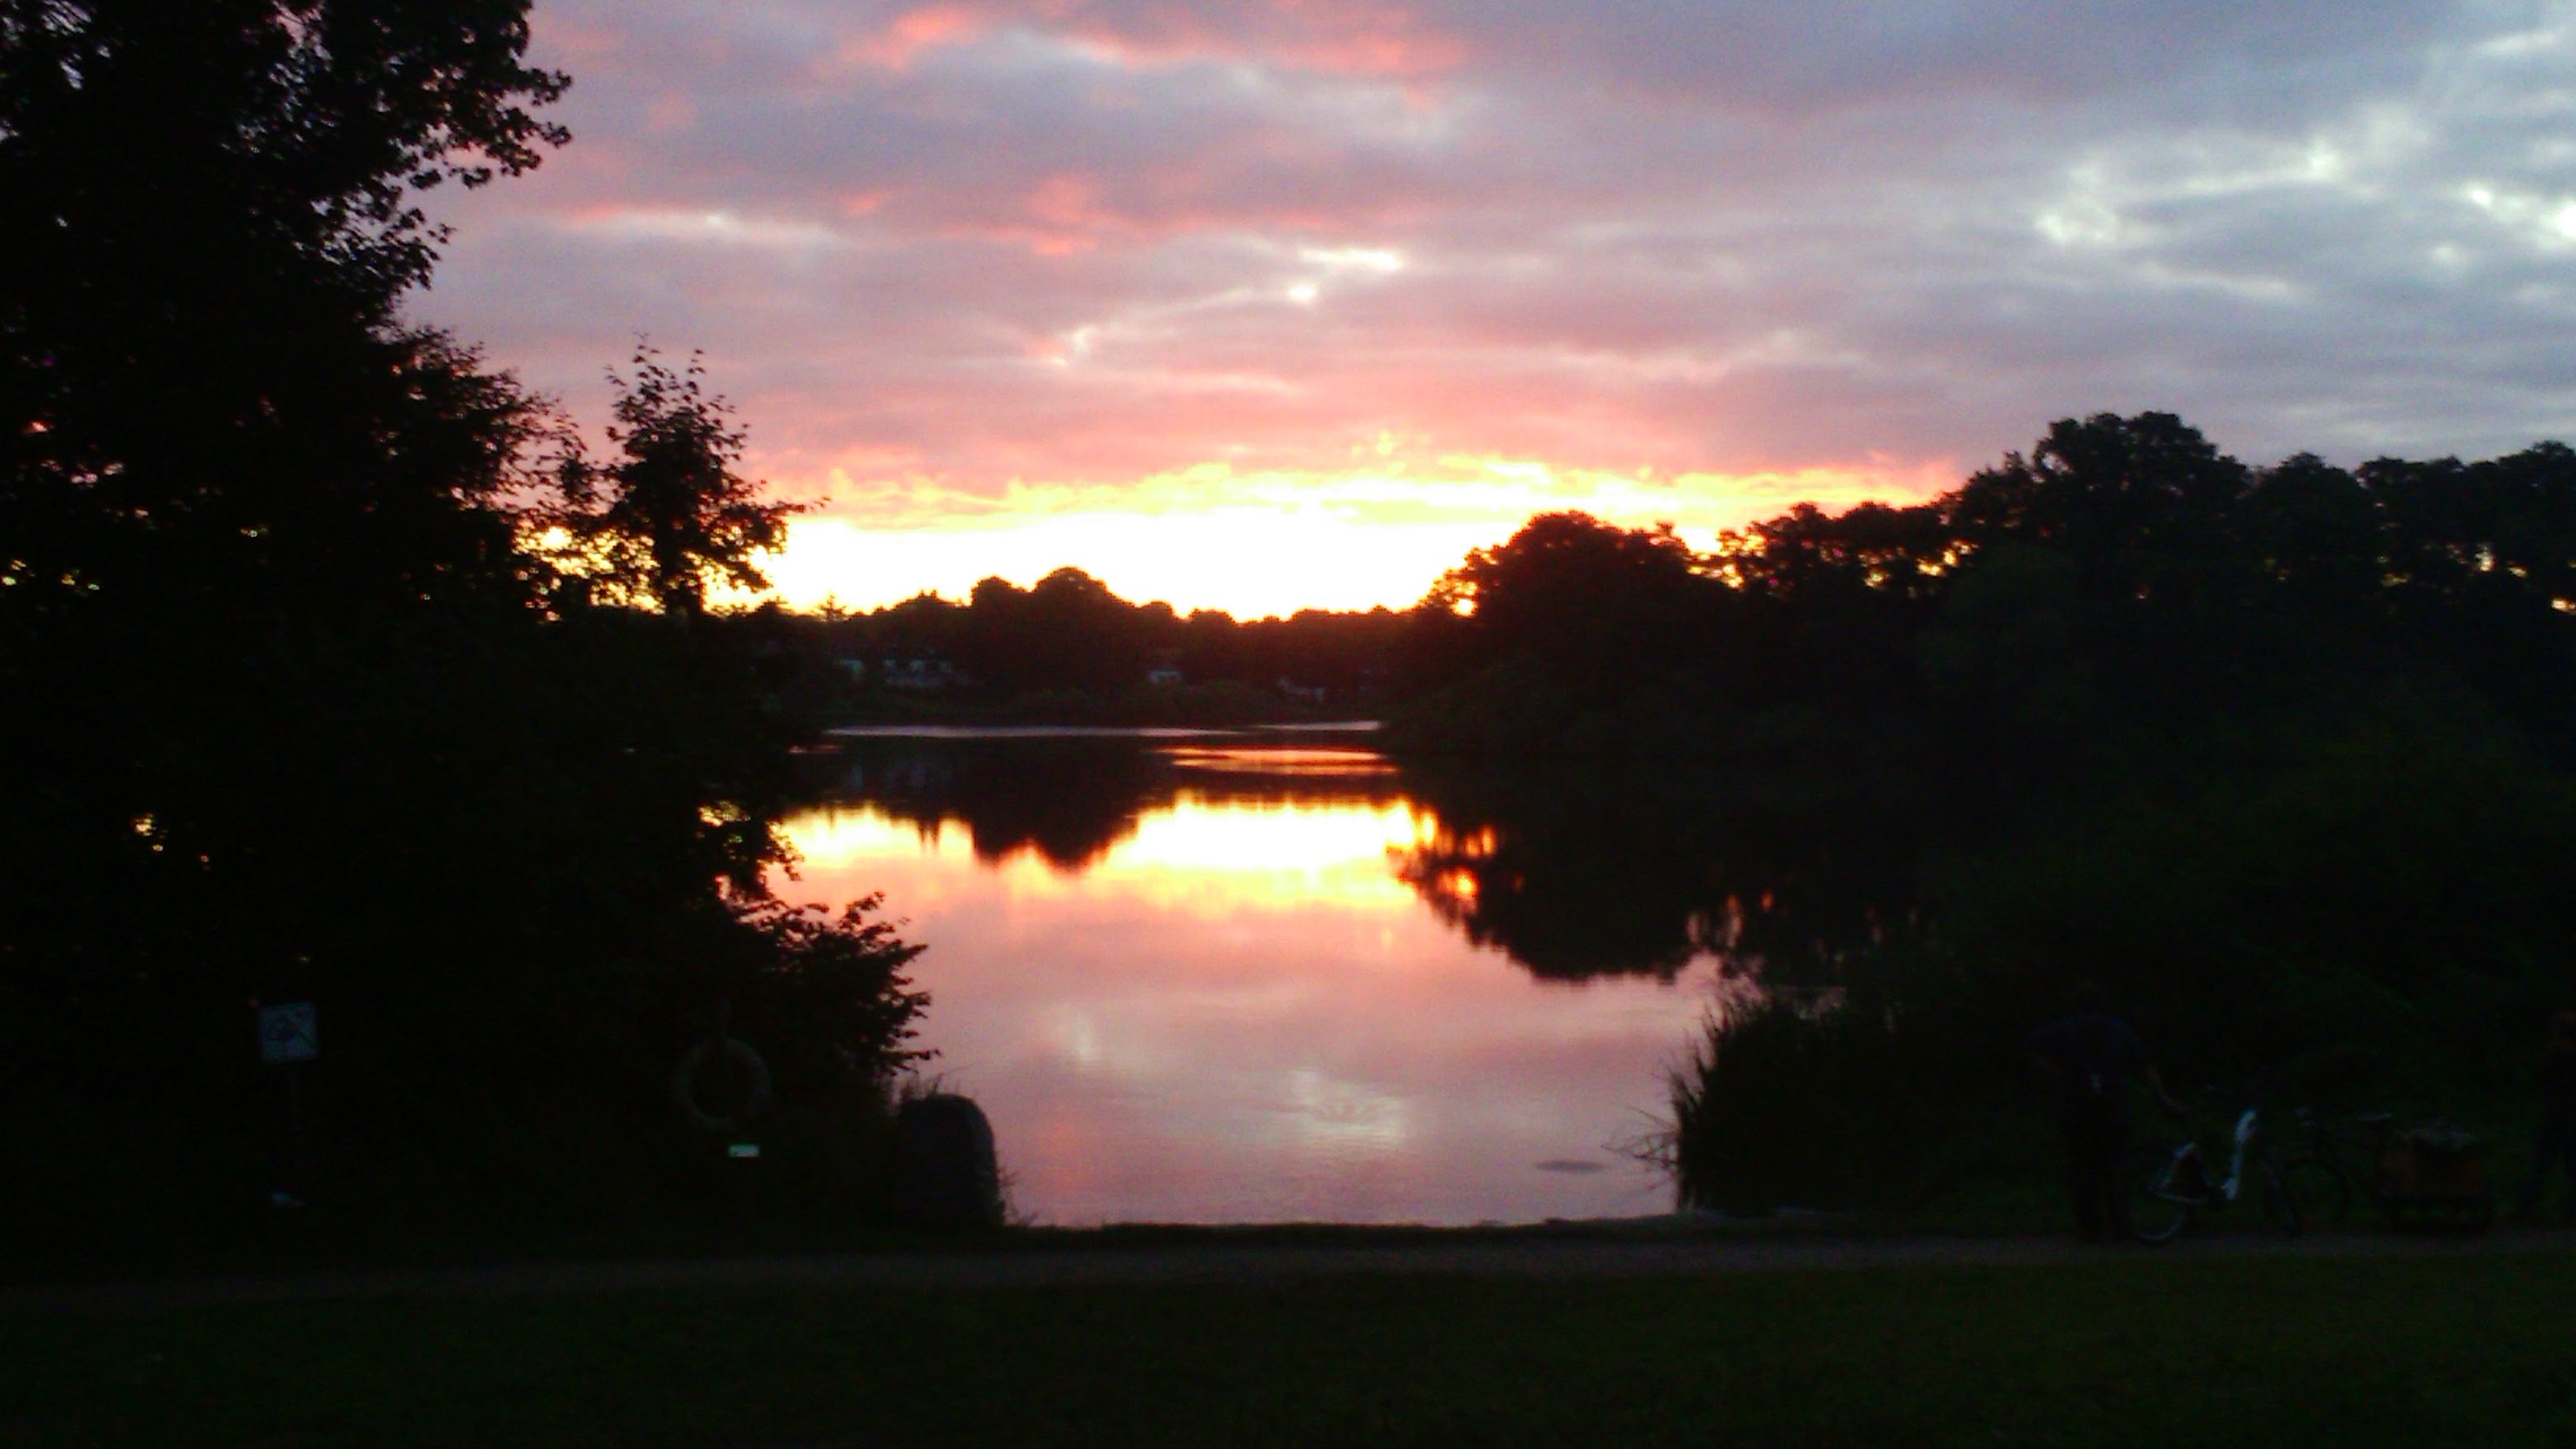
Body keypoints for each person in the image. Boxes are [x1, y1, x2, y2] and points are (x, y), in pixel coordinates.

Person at [2026, 982, 2185, 1242]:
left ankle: (2089, 1229)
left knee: (2081, 1171)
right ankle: (2121, 1226)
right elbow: (2145, 1066)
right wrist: (2163, 1097)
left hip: (2076, 1110)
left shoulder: (2064, 1030)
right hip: (2113, 1110)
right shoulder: (2119, 1031)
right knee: (2117, 1169)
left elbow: (2030, 1045)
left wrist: (2053, 1074)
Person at [2515, 1011, 2576, 1226]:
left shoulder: (2555, 1052)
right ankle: (2569, 1213)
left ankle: (2526, 1210)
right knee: (2571, 1167)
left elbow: (2539, 1078)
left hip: (2555, 1115)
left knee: (2541, 1165)